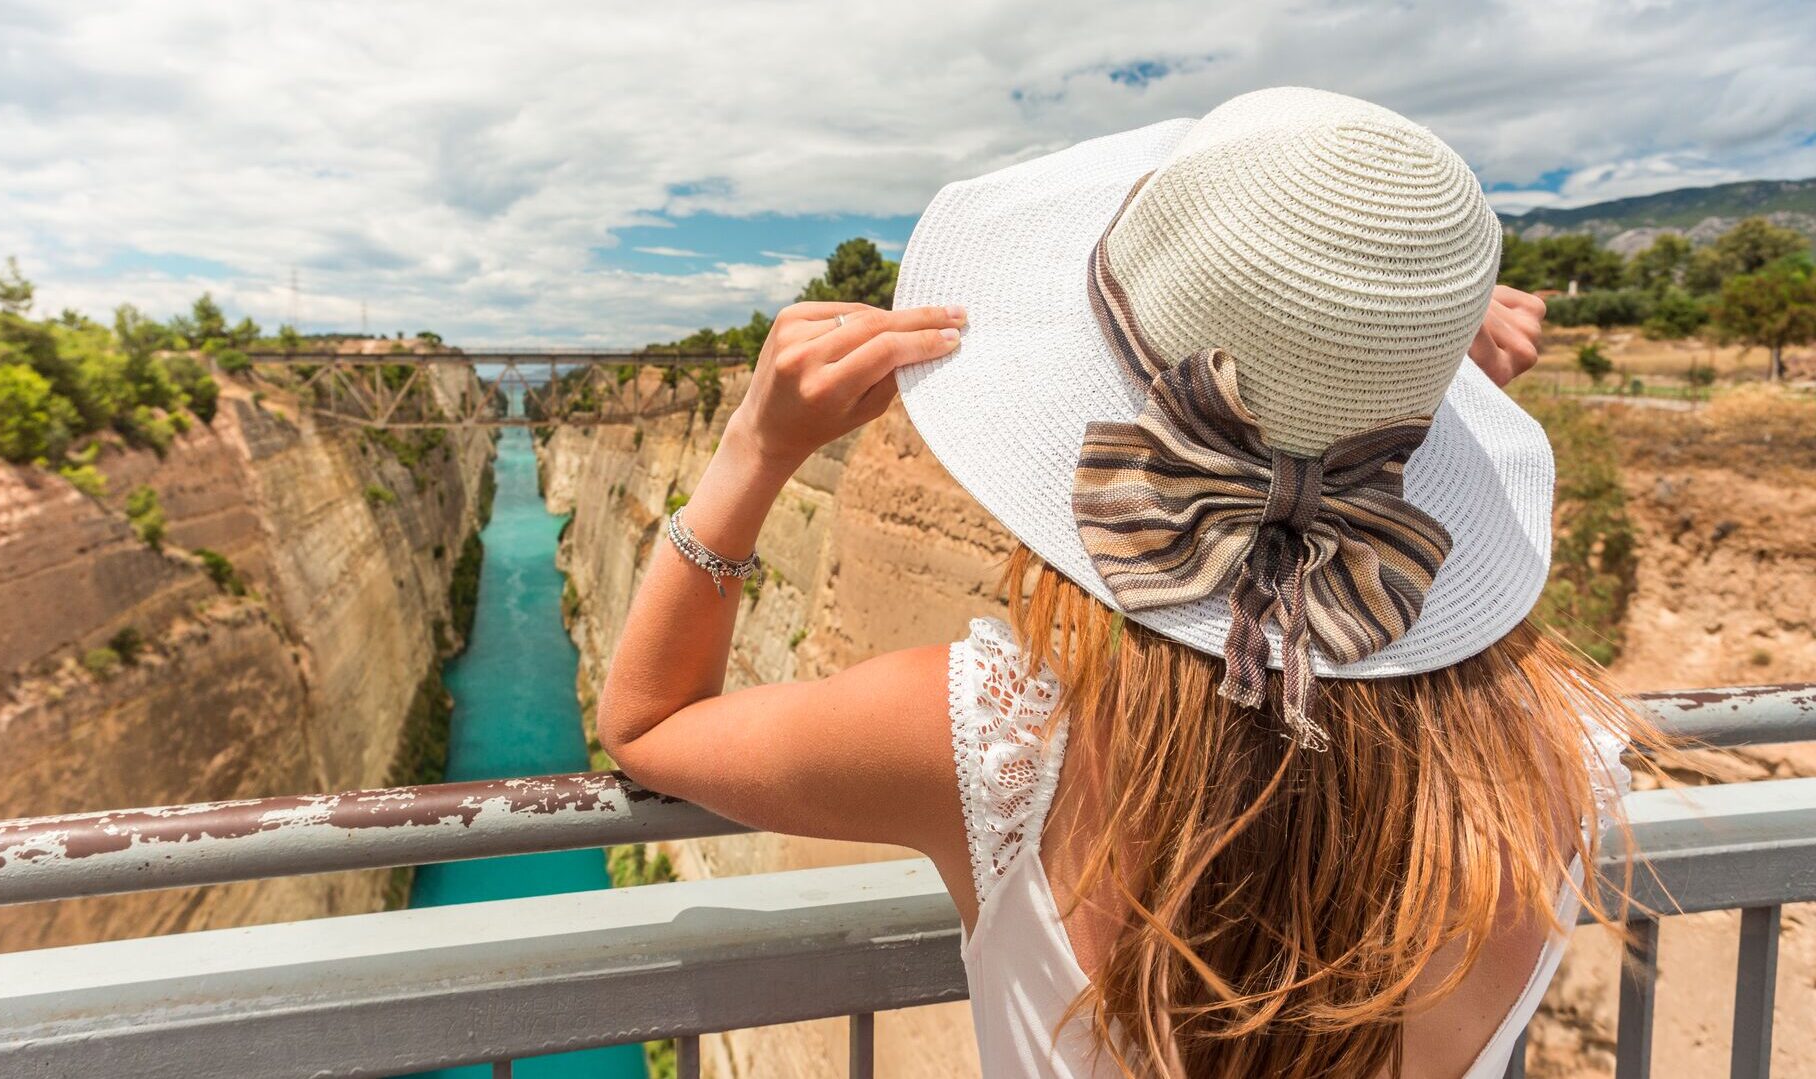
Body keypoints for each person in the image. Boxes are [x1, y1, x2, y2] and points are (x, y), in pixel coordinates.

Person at [596, 88, 1647, 1078]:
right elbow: (1381, 662)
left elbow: (651, 722)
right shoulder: (1564, 764)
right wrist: (1381, 399)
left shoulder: (993, 744)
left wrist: (755, 448)